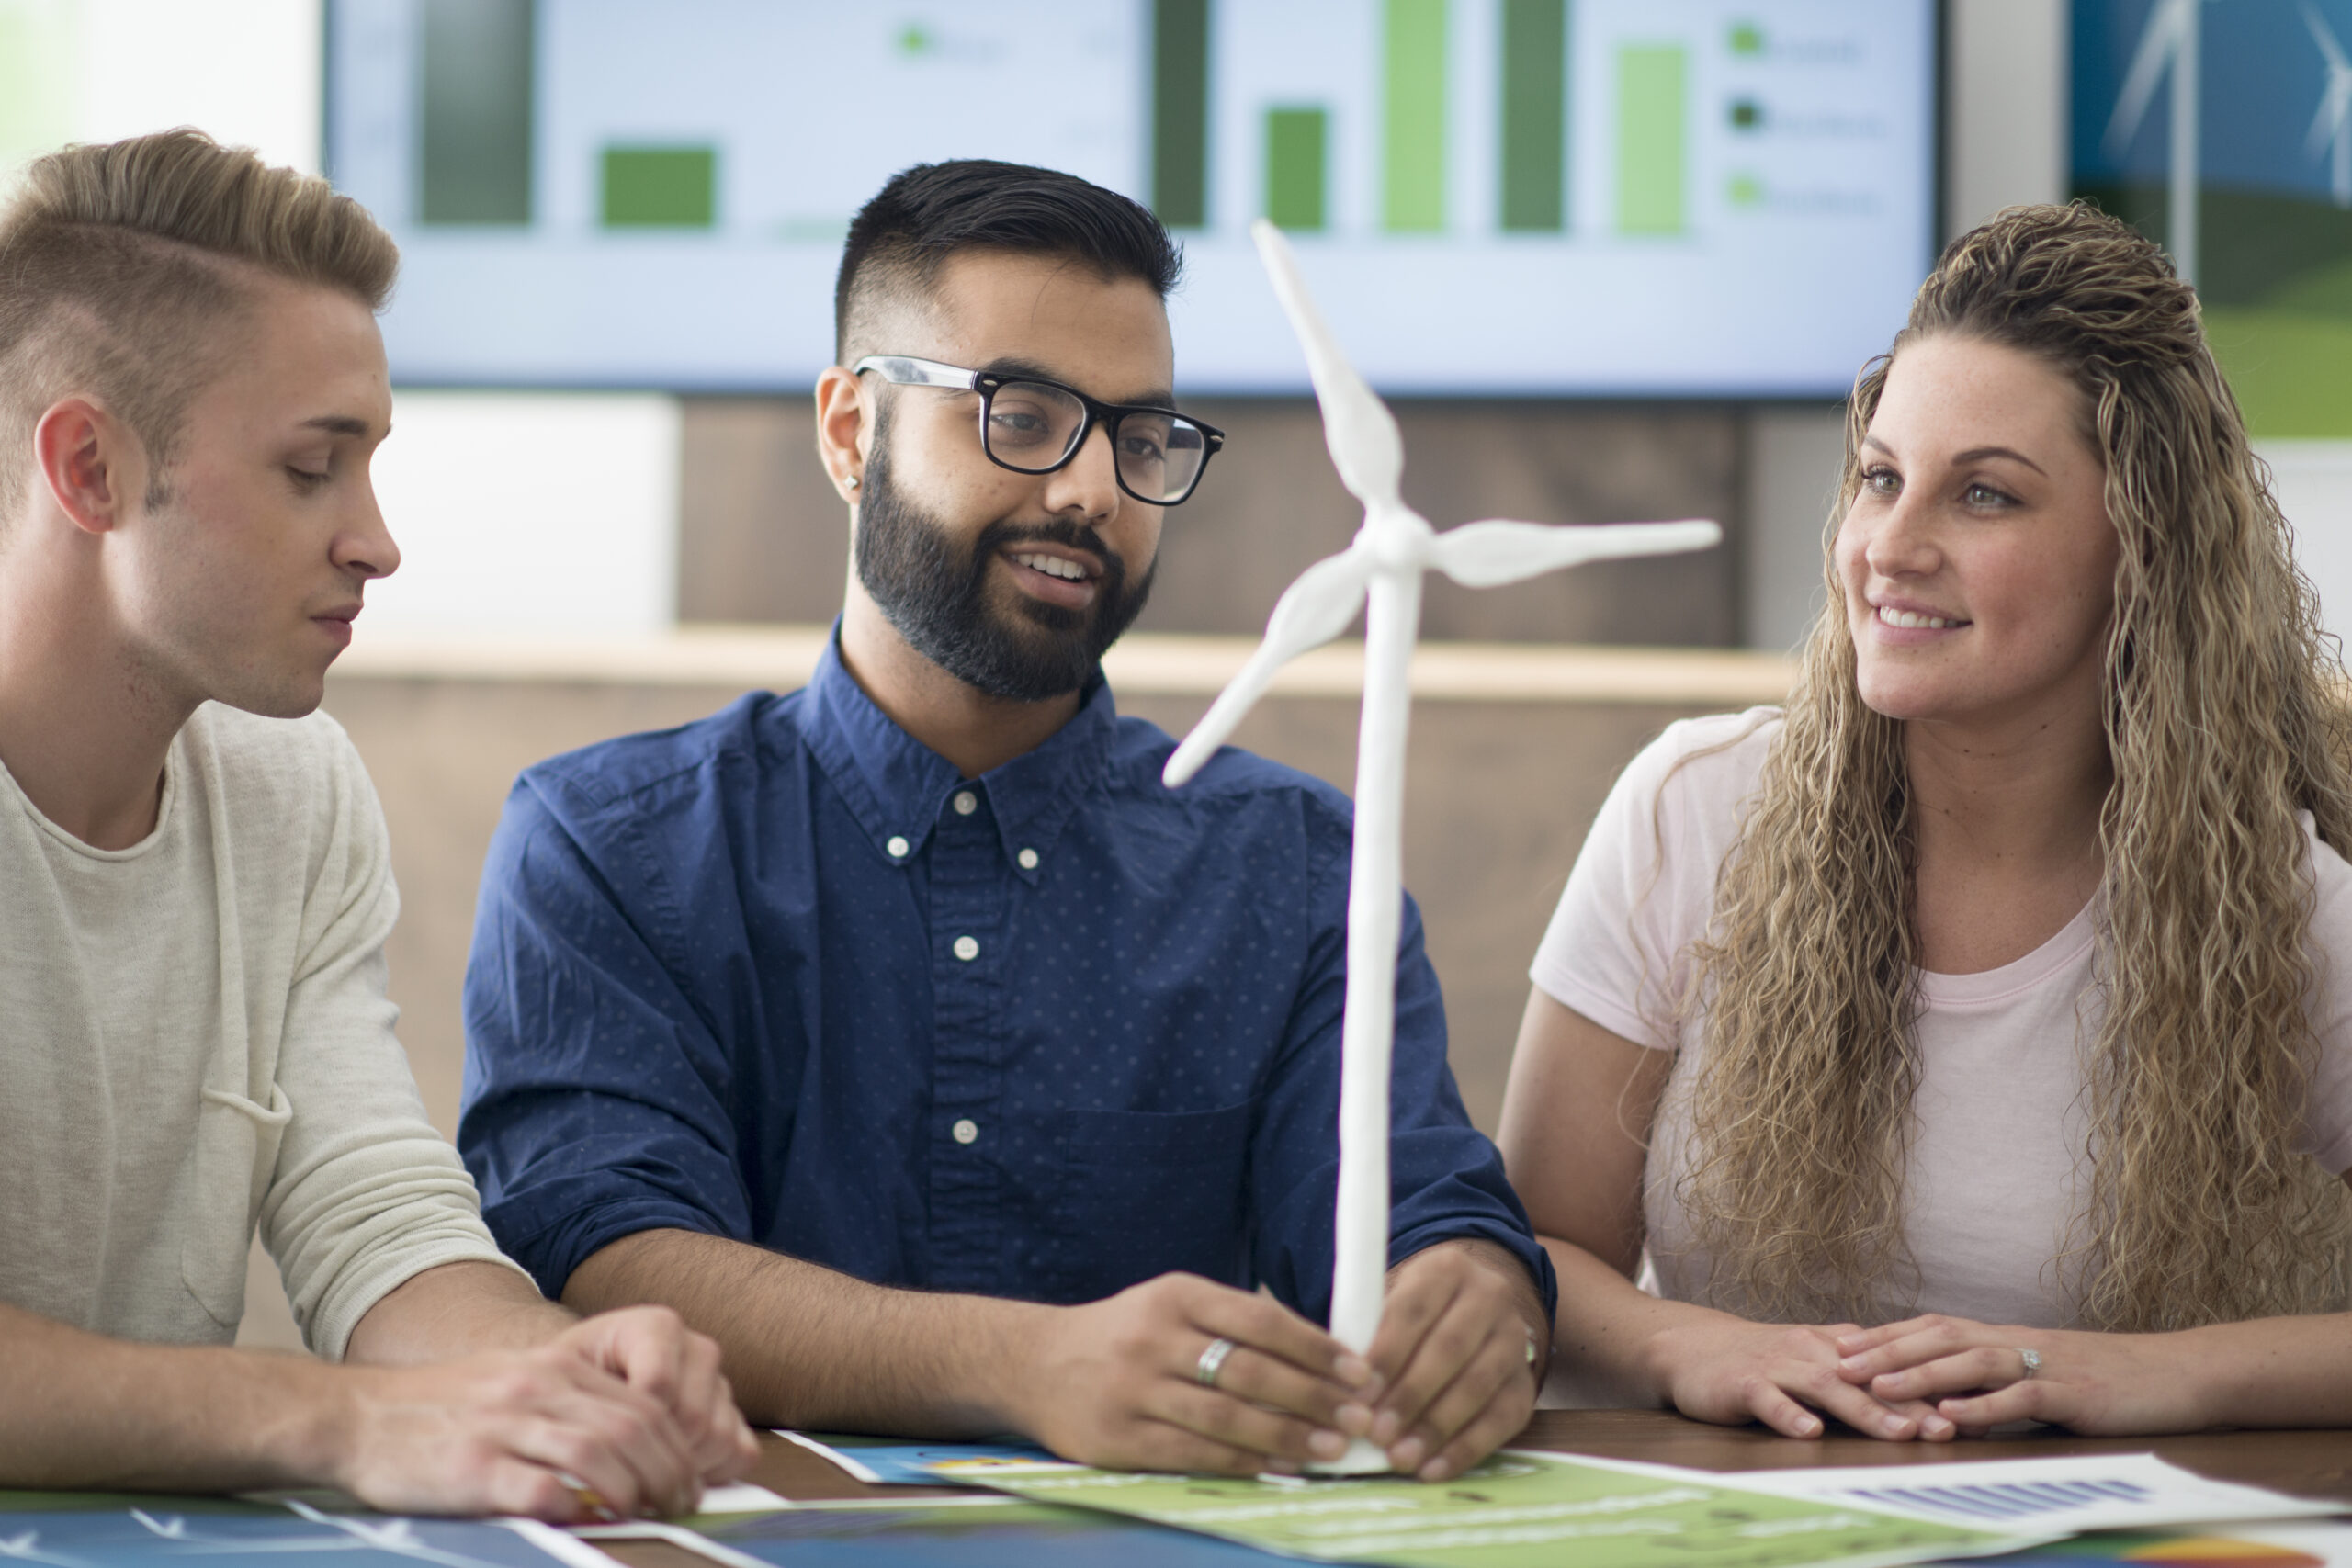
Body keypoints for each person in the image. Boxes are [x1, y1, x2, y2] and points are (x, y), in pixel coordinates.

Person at [458, 159, 1555, 1482]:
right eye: (1022, 416)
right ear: (851, 432)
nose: (1093, 490)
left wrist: (1476, 1295)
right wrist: (1025, 1368)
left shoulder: (1297, 866)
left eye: (1141, 438)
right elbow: (598, 1253)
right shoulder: (609, 845)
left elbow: (1416, 1206)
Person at [1498, 201, 2352, 1441]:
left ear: (2144, 549)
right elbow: (1529, 1250)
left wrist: (2156, 1374)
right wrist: (1698, 1349)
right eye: (1881, 480)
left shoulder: (2282, 900)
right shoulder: (1693, 810)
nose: (1890, 548)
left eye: (1986, 498)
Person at [0, 130, 757, 1516]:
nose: (376, 540)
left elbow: (373, 1213)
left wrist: (557, 1374)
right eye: (312, 468)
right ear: (90, 470)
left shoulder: (294, 789)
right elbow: (347, 1410)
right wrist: (346, 1423)